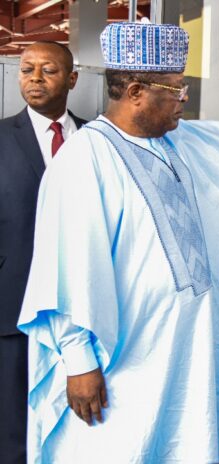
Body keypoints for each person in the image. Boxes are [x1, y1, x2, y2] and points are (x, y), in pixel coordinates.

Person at [18, 22, 219, 463]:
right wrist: (79, 364)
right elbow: (65, 267)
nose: (182, 102)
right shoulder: (84, 160)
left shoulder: (172, 142)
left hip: (181, 354)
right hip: (122, 364)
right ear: (134, 91)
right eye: (174, 90)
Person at [0, 41, 86, 463]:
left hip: (82, 306)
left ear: (72, 79)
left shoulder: (96, 137)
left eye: (47, 70)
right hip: (11, 304)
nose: (34, 78)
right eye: (26, 69)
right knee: (12, 425)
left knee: (79, 419)